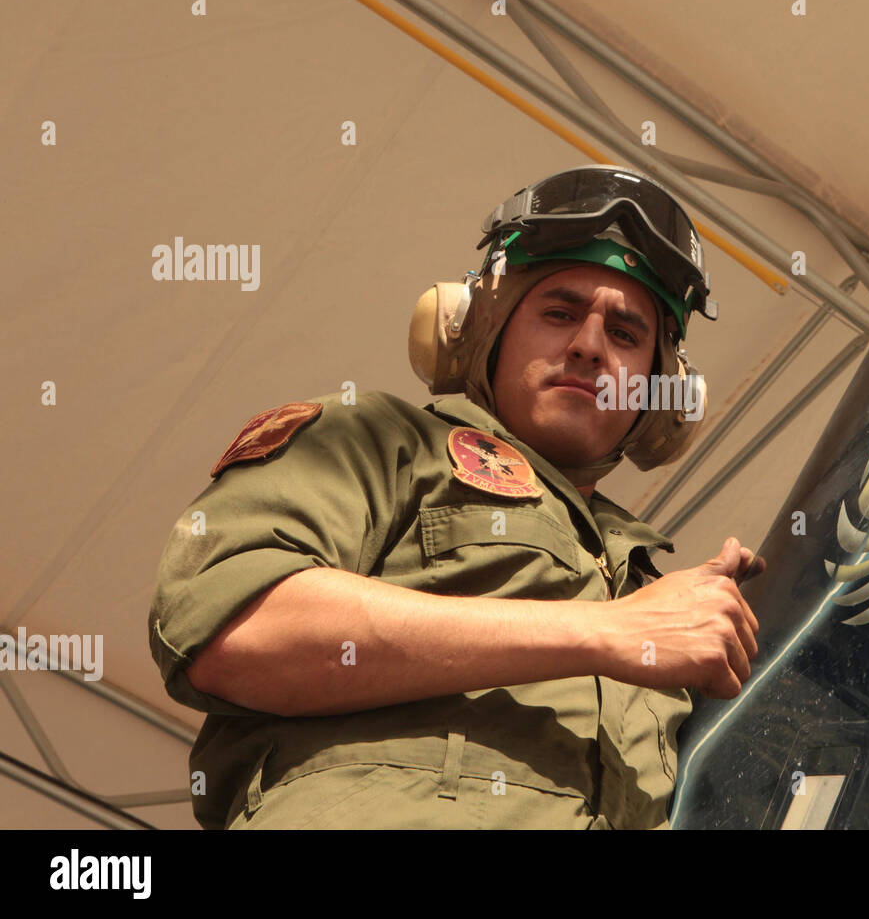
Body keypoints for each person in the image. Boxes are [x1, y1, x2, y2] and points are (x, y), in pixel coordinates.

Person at [147, 163, 766, 829]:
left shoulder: (662, 603)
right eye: (559, 312)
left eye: (625, 334)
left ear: (663, 389)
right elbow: (234, 633)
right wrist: (610, 631)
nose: (589, 346)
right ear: (480, 329)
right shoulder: (379, 439)